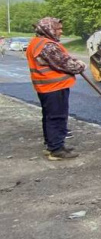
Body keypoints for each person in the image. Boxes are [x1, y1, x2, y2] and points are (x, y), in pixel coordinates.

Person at [26, 17, 85, 160]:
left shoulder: (36, 42)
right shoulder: (47, 46)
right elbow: (66, 64)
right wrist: (81, 65)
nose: (61, 32)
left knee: (49, 117)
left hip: (45, 87)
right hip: (54, 87)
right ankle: (56, 149)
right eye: (58, 29)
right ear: (49, 29)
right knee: (57, 117)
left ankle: (52, 144)